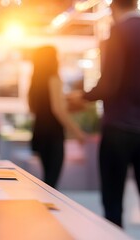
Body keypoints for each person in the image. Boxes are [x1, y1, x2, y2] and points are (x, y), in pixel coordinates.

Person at [68, 0, 140, 227]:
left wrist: (82, 97)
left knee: (113, 204)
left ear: (112, 7)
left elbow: (109, 85)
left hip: (118, 129)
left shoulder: (119, 32)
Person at [28, 46, 85, 189]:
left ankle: (42, 209)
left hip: (39, 132)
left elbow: (32, 108)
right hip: (53, 135)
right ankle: (45, 210)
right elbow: (58, 109)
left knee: (47, 179)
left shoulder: (35, 82)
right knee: (51, 183)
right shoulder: (54, 78)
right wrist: (77, 132)